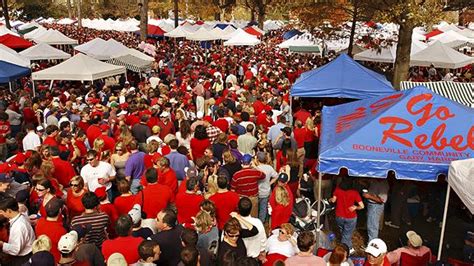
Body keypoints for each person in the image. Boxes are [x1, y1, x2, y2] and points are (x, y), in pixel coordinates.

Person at [0, 194, 35, 265]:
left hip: (22, 258)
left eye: (1, 212)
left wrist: (1, 244)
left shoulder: (19, 227)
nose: (1, 214)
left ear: (9, 211)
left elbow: (16, 250)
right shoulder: (20, 216)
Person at [330, 177, 364, 249]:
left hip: (339, 216)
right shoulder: (355, 192)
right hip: (351, 217)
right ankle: (344, 249)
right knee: (347, 234)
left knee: (343, 232)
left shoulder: (337, 190)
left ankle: (348, 246)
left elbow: (333, 200)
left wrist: (329, 199)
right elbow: (362, 206)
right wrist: (355, 207)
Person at [35, 197, 67, 263]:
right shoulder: (61, 230)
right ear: (60, 211)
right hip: (54, 259)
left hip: (40, 256)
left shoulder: (39, 222)